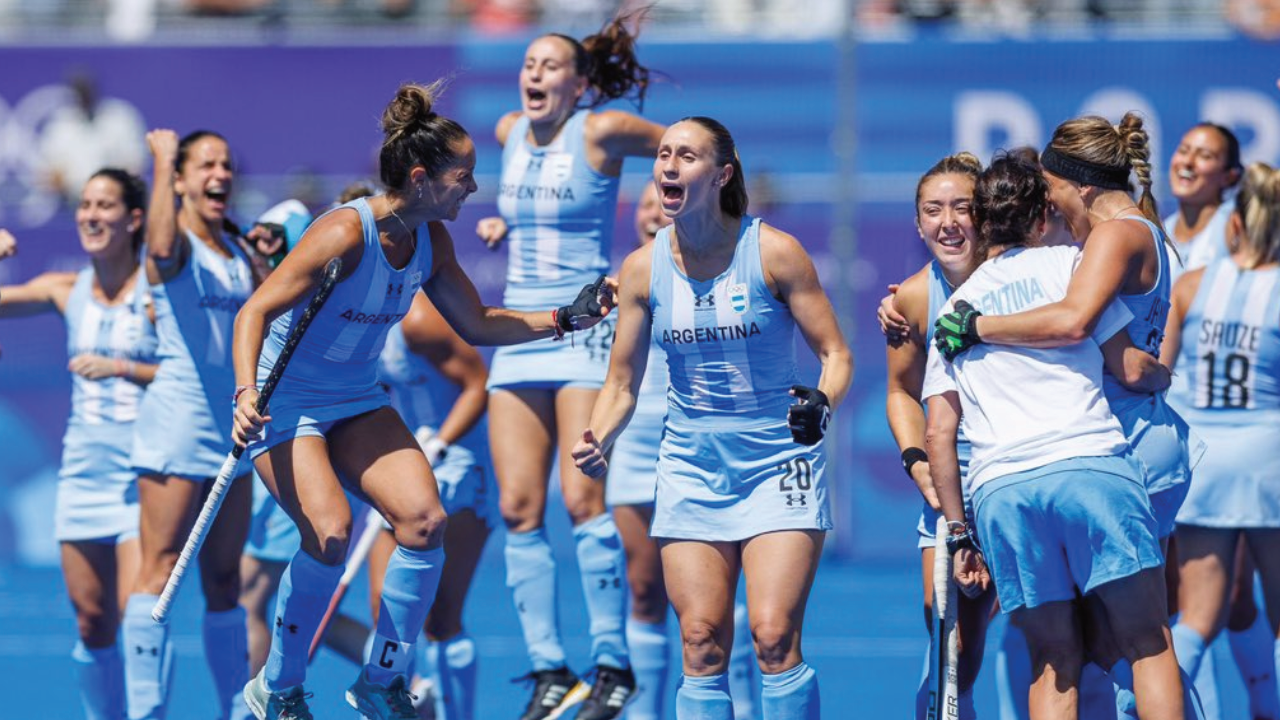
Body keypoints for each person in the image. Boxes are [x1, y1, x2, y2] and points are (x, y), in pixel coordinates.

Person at [231, 81, 613, 720]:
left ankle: (382, 681)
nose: (471, 188)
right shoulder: (343, 234)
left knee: (424, 522)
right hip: (283, 399)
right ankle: (280, 684)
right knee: (329, 535)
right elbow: (256, 310)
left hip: (355, 398)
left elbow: (481, 323)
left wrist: (565, 319)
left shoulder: (433, 242)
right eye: (463, 176)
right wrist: (246, 394)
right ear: (421, 177)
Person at [573, 116, 853, 720]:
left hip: (777, 459)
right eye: (665, 154)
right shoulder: (644, 269)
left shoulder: (774, 251)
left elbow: (836, 354)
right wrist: (600, 436)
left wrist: (822, 401)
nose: (670, 165)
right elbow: (621, 380)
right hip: (691, 464)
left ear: (721, 174)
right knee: (700, 643)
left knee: (774, 637)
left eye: (689, 156)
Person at [935, 113, 1210, 718]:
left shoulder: (1109, 238)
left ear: (1080, 185)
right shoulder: (1134, 234)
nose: (1053, 205)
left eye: (1054, 188)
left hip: (1117, 442)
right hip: (1127, 440)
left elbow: (1072, 321)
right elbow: (1133, 358)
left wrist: (974, 326)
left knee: (1112, 645)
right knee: (1121, 640)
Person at [476, 13, 665, 720]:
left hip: (584, 328)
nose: (534, 74)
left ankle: (611, 664)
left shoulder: (603, 132)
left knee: (582, 498)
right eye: (528, 63)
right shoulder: (505, 132)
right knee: (518, 507)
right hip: (521, 331)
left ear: (581, 84)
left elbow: (683, 148)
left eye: (551, 65)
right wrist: (501, 224)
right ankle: (549, 668)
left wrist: (656, 242)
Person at [0, 169, 157, 720]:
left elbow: (191, 376)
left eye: (105, 205)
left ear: (134, 218)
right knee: (93, 624)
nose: (90, 214)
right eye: (85, 204)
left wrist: (121, 367)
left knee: (141, 618)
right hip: (82, 477)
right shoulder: (64, 290)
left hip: (146, 480)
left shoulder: (159, 291)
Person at [605, 182, 759, 720]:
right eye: (645, 207)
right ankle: (642, 712)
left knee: (718, 602)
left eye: (662, 204)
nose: (655, 214)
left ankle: (738, 703)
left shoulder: (726, 269)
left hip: (702, 441)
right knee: (644, 588)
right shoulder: (625, 279)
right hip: (633, 441)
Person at [124, 128, 263, 720]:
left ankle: (233, 708)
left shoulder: (236, 254)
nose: (221, 174)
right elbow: (156, 250)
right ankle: (146, 709)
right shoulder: (176, 243)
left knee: (224, 582)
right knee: (159, 569)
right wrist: (160, 160)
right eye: (206, 164)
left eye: (228, 164)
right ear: (181, 180)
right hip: (177, 427)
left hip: (232, 435)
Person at [1161, 162, 1280, 720]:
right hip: (1269, 464)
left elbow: (1155, 374)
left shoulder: (1192, 284)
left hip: (1204, 464)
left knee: (1196, 619)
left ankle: (1153, 705)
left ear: (1234, 223)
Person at [882, 152, 998, 720]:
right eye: (934, 210)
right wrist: (916, 461)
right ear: (917, 222)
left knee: (1058, 632)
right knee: (951, 628)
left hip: (1024, 468)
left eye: (962, 207)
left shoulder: (1024, 271)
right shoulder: (910, 298)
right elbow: (900, 392)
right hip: (954, 483)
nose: (948, 222)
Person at [366, 290, 498, 720]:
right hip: (401, 464)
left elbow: (478, 384)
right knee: (382, 610)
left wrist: (440, 443)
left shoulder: (419, 319)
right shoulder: (355, 319)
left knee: (441, 619)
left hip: (459, 462)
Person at [1164, 123, 1243, 283]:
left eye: (1205, 156)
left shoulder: (1239, 229)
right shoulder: (1159, 232)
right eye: (1183, 150)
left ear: (1229, 176)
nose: (1188, 162)